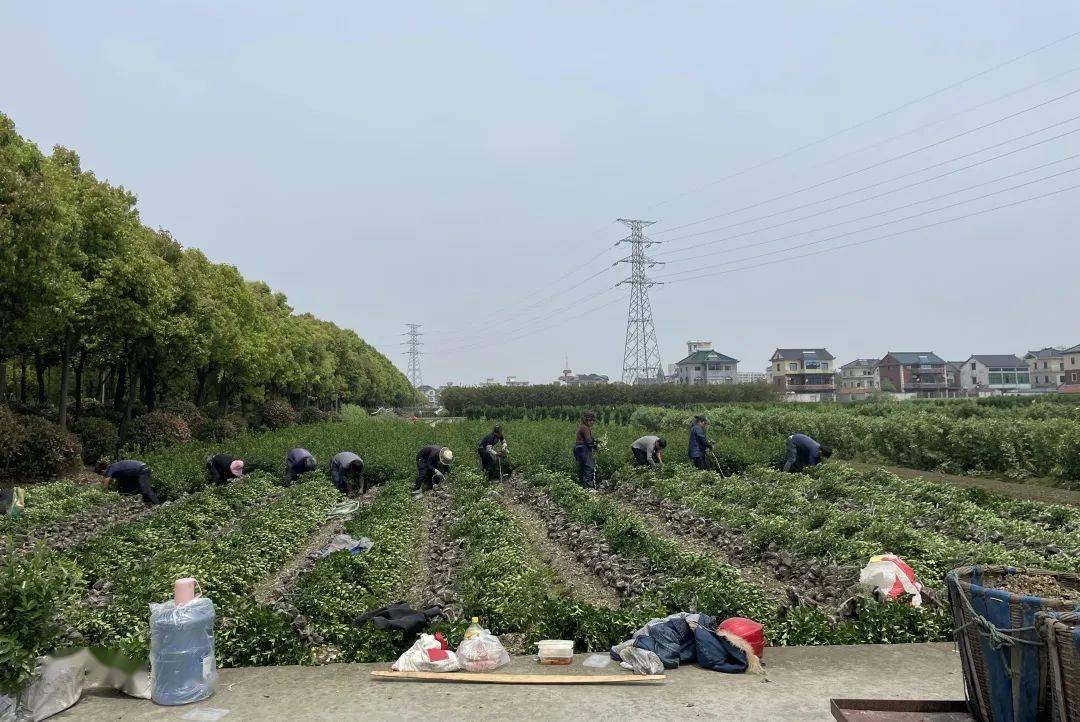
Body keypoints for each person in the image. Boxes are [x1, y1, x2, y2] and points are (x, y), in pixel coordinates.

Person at [95, 459, 161, 505]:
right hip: (136, 472)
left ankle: (158, 505)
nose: (103, 476)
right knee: (126, 487)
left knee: (145, 489)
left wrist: (105, 494)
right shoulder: (114, 468)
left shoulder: (111, 468)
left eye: (101, 474)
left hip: (142, 470)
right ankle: (147, 503)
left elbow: (106, 482)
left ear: (103, 471)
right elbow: (104, 480)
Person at [573, 411, 600, 489]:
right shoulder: (585, 428)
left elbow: (590, 439)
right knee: (589, 467)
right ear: (588, 420)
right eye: (592, 421)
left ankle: (582, 486)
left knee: (583, 468)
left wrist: (596, 441)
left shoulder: (582, 427)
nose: (593, 423)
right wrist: (595, 446)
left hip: (578, 448)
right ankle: (588, 487)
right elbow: (589, 441)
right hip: (583, 448)